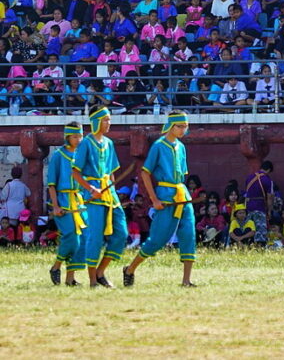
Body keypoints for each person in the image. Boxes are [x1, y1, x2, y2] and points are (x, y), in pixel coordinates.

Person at [123, 111, 198, 287]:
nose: (183, 130)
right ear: (171, 126)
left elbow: (182, 174)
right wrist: (154, 199)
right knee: (157, 239)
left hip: (182, 195)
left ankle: (186, 280)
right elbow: (145, 173)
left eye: (185, 127)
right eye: (180, 126)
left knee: (189, 235)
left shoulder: (181, 147)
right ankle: (130, 269)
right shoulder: (158, 146)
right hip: (165, 195)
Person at [71, 106, 129, 288]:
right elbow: (75, 172)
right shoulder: (86, 143)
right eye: (105, 120)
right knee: (95, 237)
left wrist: (114, 193)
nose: (108, 123)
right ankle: (92, 280)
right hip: (94, 195)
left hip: (109, 194)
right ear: (96, 121)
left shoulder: (109, 143)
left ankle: (101, 271)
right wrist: (90, 188)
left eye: (109, 119)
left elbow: (111, 172)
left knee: (121, 234)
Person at [46, 122, 88, 286]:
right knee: (71, 237)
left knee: (83, 239)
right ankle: (56, 266)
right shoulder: (58, 155)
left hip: (79, 201)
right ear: (67, 137)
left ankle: (70, 279)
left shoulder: (82, 155)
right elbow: (51, 183)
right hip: (63, 202)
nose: (78, 139)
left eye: (80, 136)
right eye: (75, 136)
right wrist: (55, 206)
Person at [243, 160, 275, 246]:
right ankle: (260, 247)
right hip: (260, 207)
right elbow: (270, 197)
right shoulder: (267, 180)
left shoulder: (249, 177)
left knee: (249, 227)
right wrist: (269, 210)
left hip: (248, 206)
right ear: (268, 170)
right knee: (260, 229)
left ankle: (247, 245)